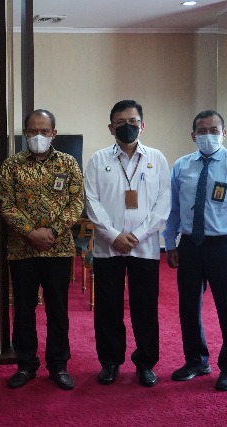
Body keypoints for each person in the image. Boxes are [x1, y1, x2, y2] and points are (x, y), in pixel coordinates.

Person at [162, 110, 227, 391]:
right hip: (189, 246)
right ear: (193, 135)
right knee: (188, 307)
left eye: (213, 130)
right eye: (202, 131)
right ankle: (196, 361)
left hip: (224, 246)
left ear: (224, 133)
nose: (208, 135)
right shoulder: (181, 166)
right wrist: (170, 242)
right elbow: (173, 210)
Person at [84, 100, 171, 387]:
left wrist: (138, 235)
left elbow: (163, 203)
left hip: (144, 248)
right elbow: (91, 202)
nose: (127, 126)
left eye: (132, 121)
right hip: (107, 248)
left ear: (142, 125)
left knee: (144, 308)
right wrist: (114, 235)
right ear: (110, 127)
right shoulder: (98, 160)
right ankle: (110, 362)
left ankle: (145, 363)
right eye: (120, 122)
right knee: (108, 308)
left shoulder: (156, 158)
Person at [0, 109, 84, 391]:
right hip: (22, 250)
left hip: (58, 250)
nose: (38, 136)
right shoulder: (11, 165)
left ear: (53, 133)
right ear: (25, 133)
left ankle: (58, 365)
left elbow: (76, 202)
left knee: (58, 310)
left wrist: (53, 231)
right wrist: (30, 232)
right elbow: (6, 203)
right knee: (23, 310)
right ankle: (26, 365)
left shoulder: (68, 163)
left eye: (44, 131)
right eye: (33, 131)